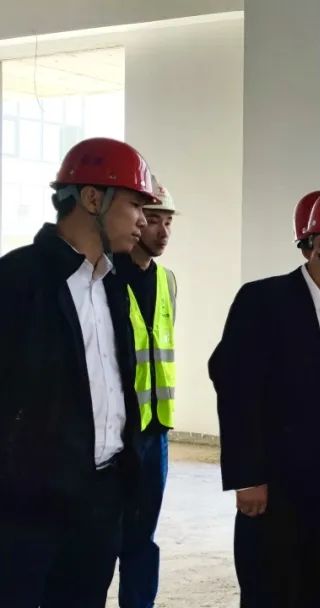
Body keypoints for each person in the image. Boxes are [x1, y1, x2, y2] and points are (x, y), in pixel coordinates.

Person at [210, 187, 320, 607]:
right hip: (280, 481)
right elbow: (236, 389)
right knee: (274, 590)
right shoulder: (263, 302)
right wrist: (247, 476)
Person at [0, 137, 155, 606]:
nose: (144, 220)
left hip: (100, 501)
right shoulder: (17, 280)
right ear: (92, 198)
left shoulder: (112, 284)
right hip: (29, 509)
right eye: (134, 205)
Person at [116, 175, 180, 608]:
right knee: (102, 535)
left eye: (168, 221)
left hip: (156, 430)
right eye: (154, 219)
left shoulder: (167, 281)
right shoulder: (104, 278)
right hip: (115, 433)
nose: (161, 231)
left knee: (143, 536)